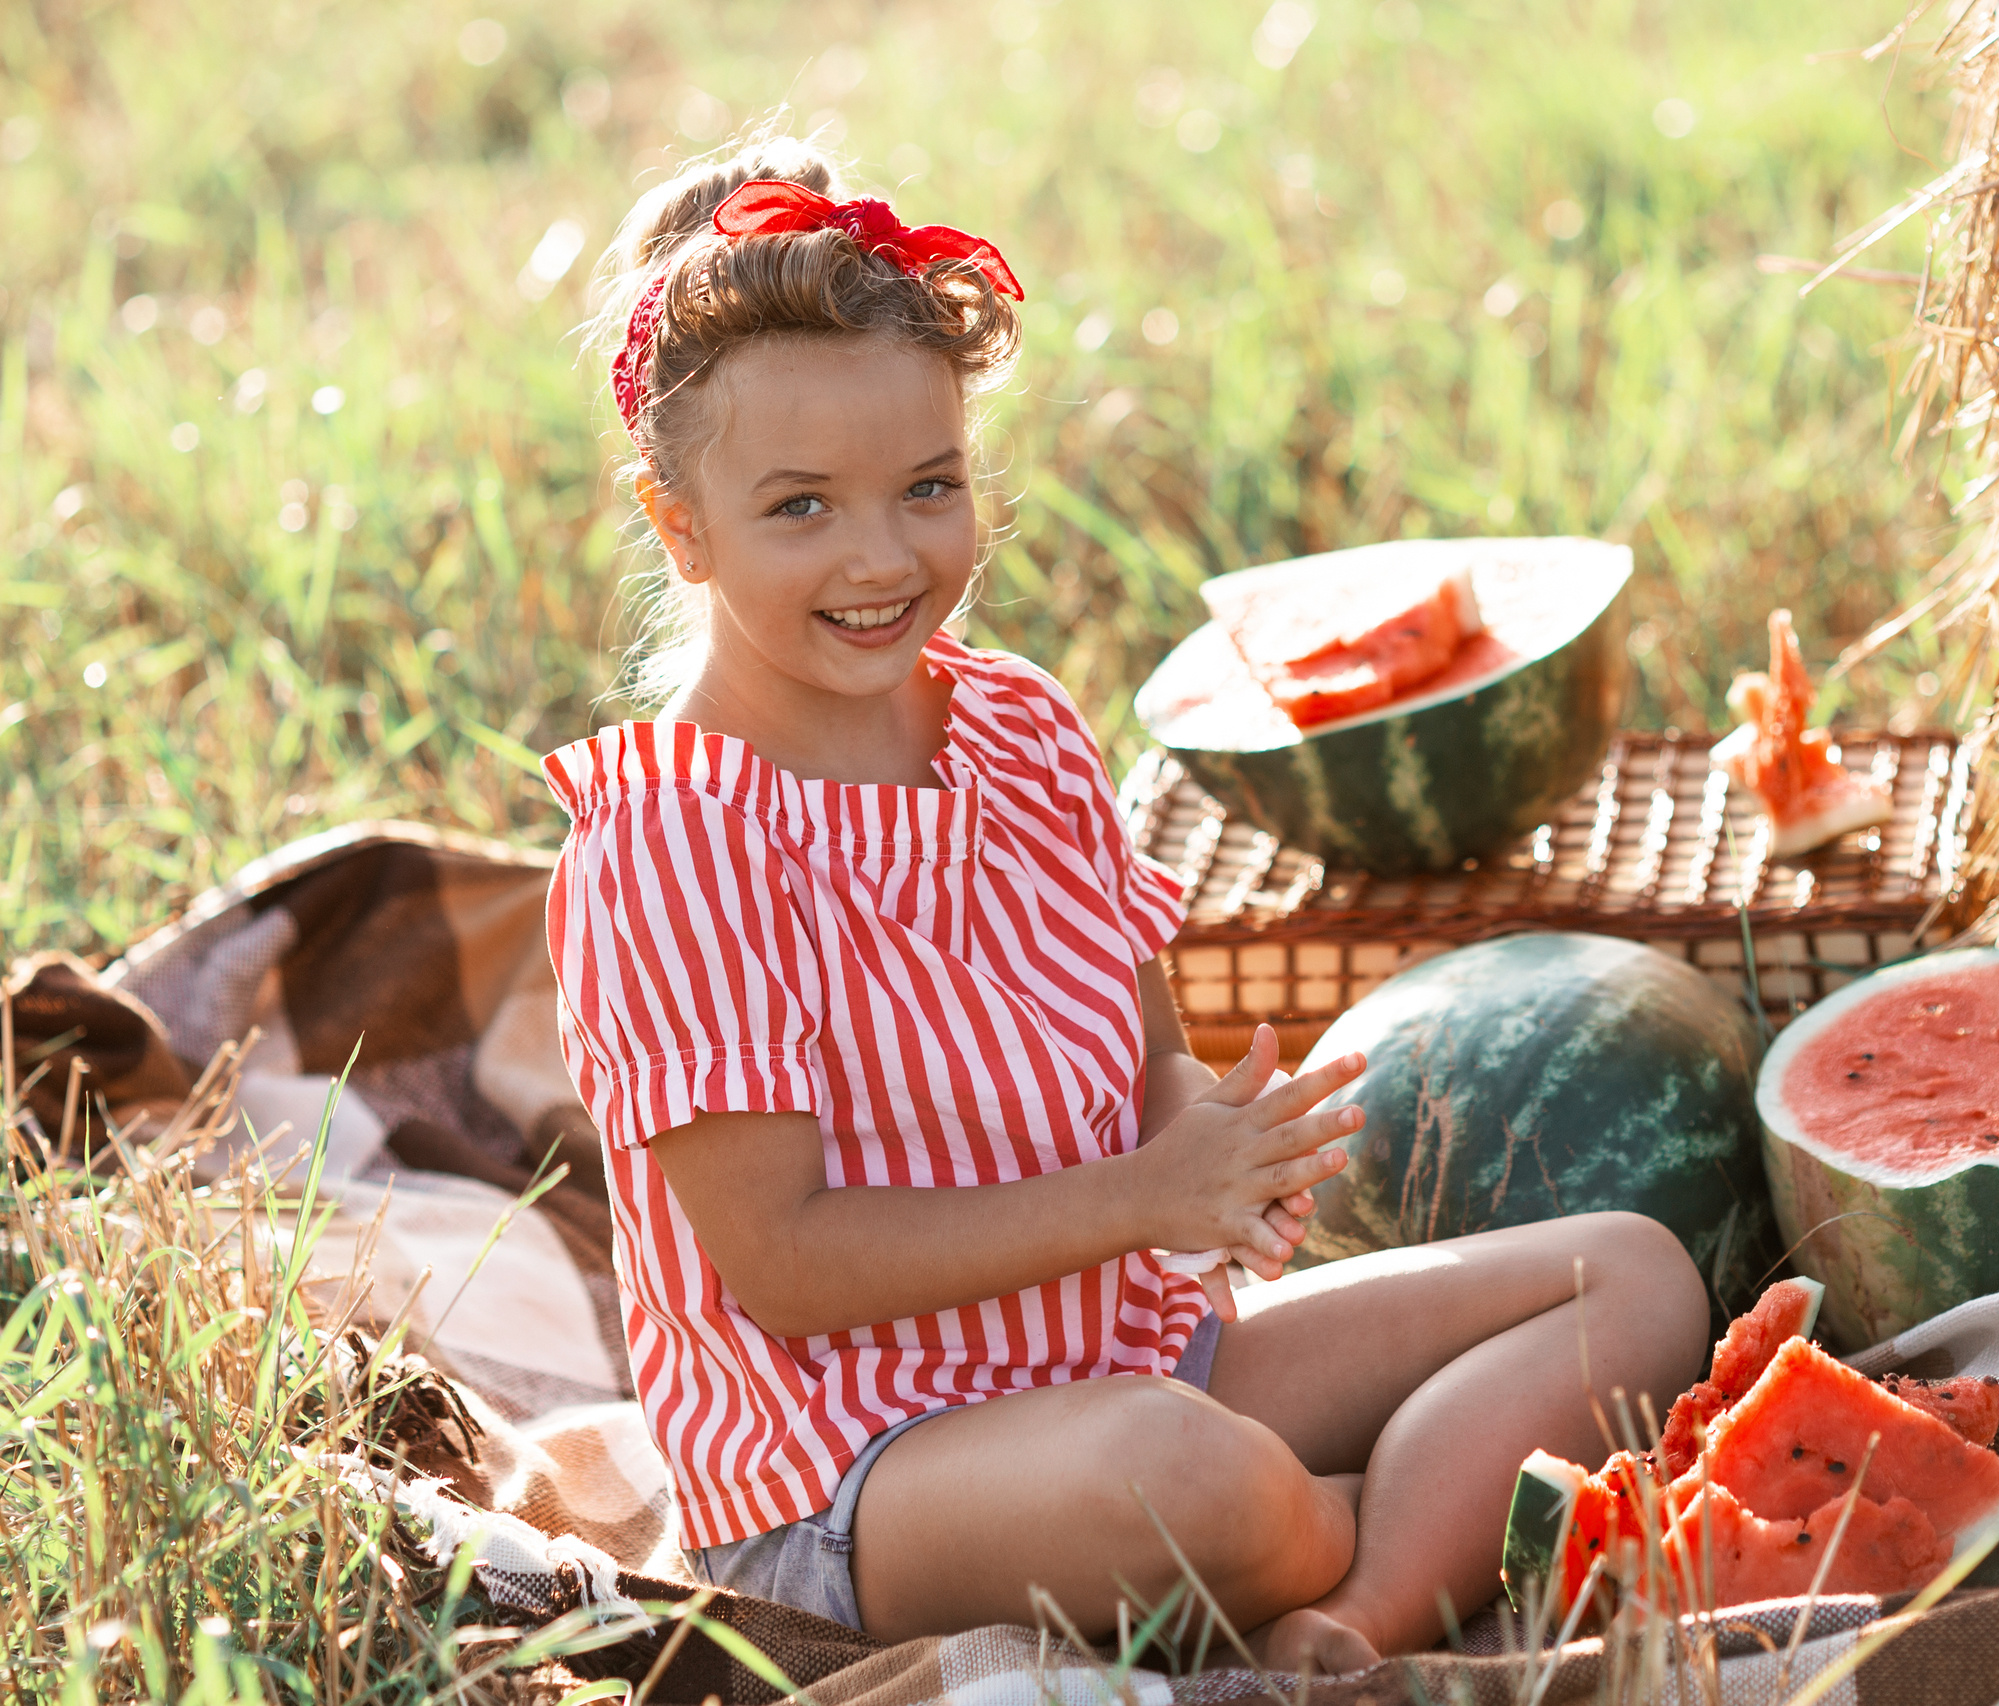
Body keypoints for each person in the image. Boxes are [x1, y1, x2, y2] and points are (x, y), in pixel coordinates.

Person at [543, 134, 1710, 1675]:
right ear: (679, 522)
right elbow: (788, 1260)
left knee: (1634, 1273)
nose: (886, 555)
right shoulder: (667, 840)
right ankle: (1428, 1514)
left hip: (1131, 1342)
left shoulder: (1019, 728)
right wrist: (1143, 1202)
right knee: (1184, 1472)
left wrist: (1219, 1146)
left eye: (930, 486)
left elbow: (1147, 1049)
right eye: (802, 508)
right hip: (860, 1466)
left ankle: (1343, 1614)